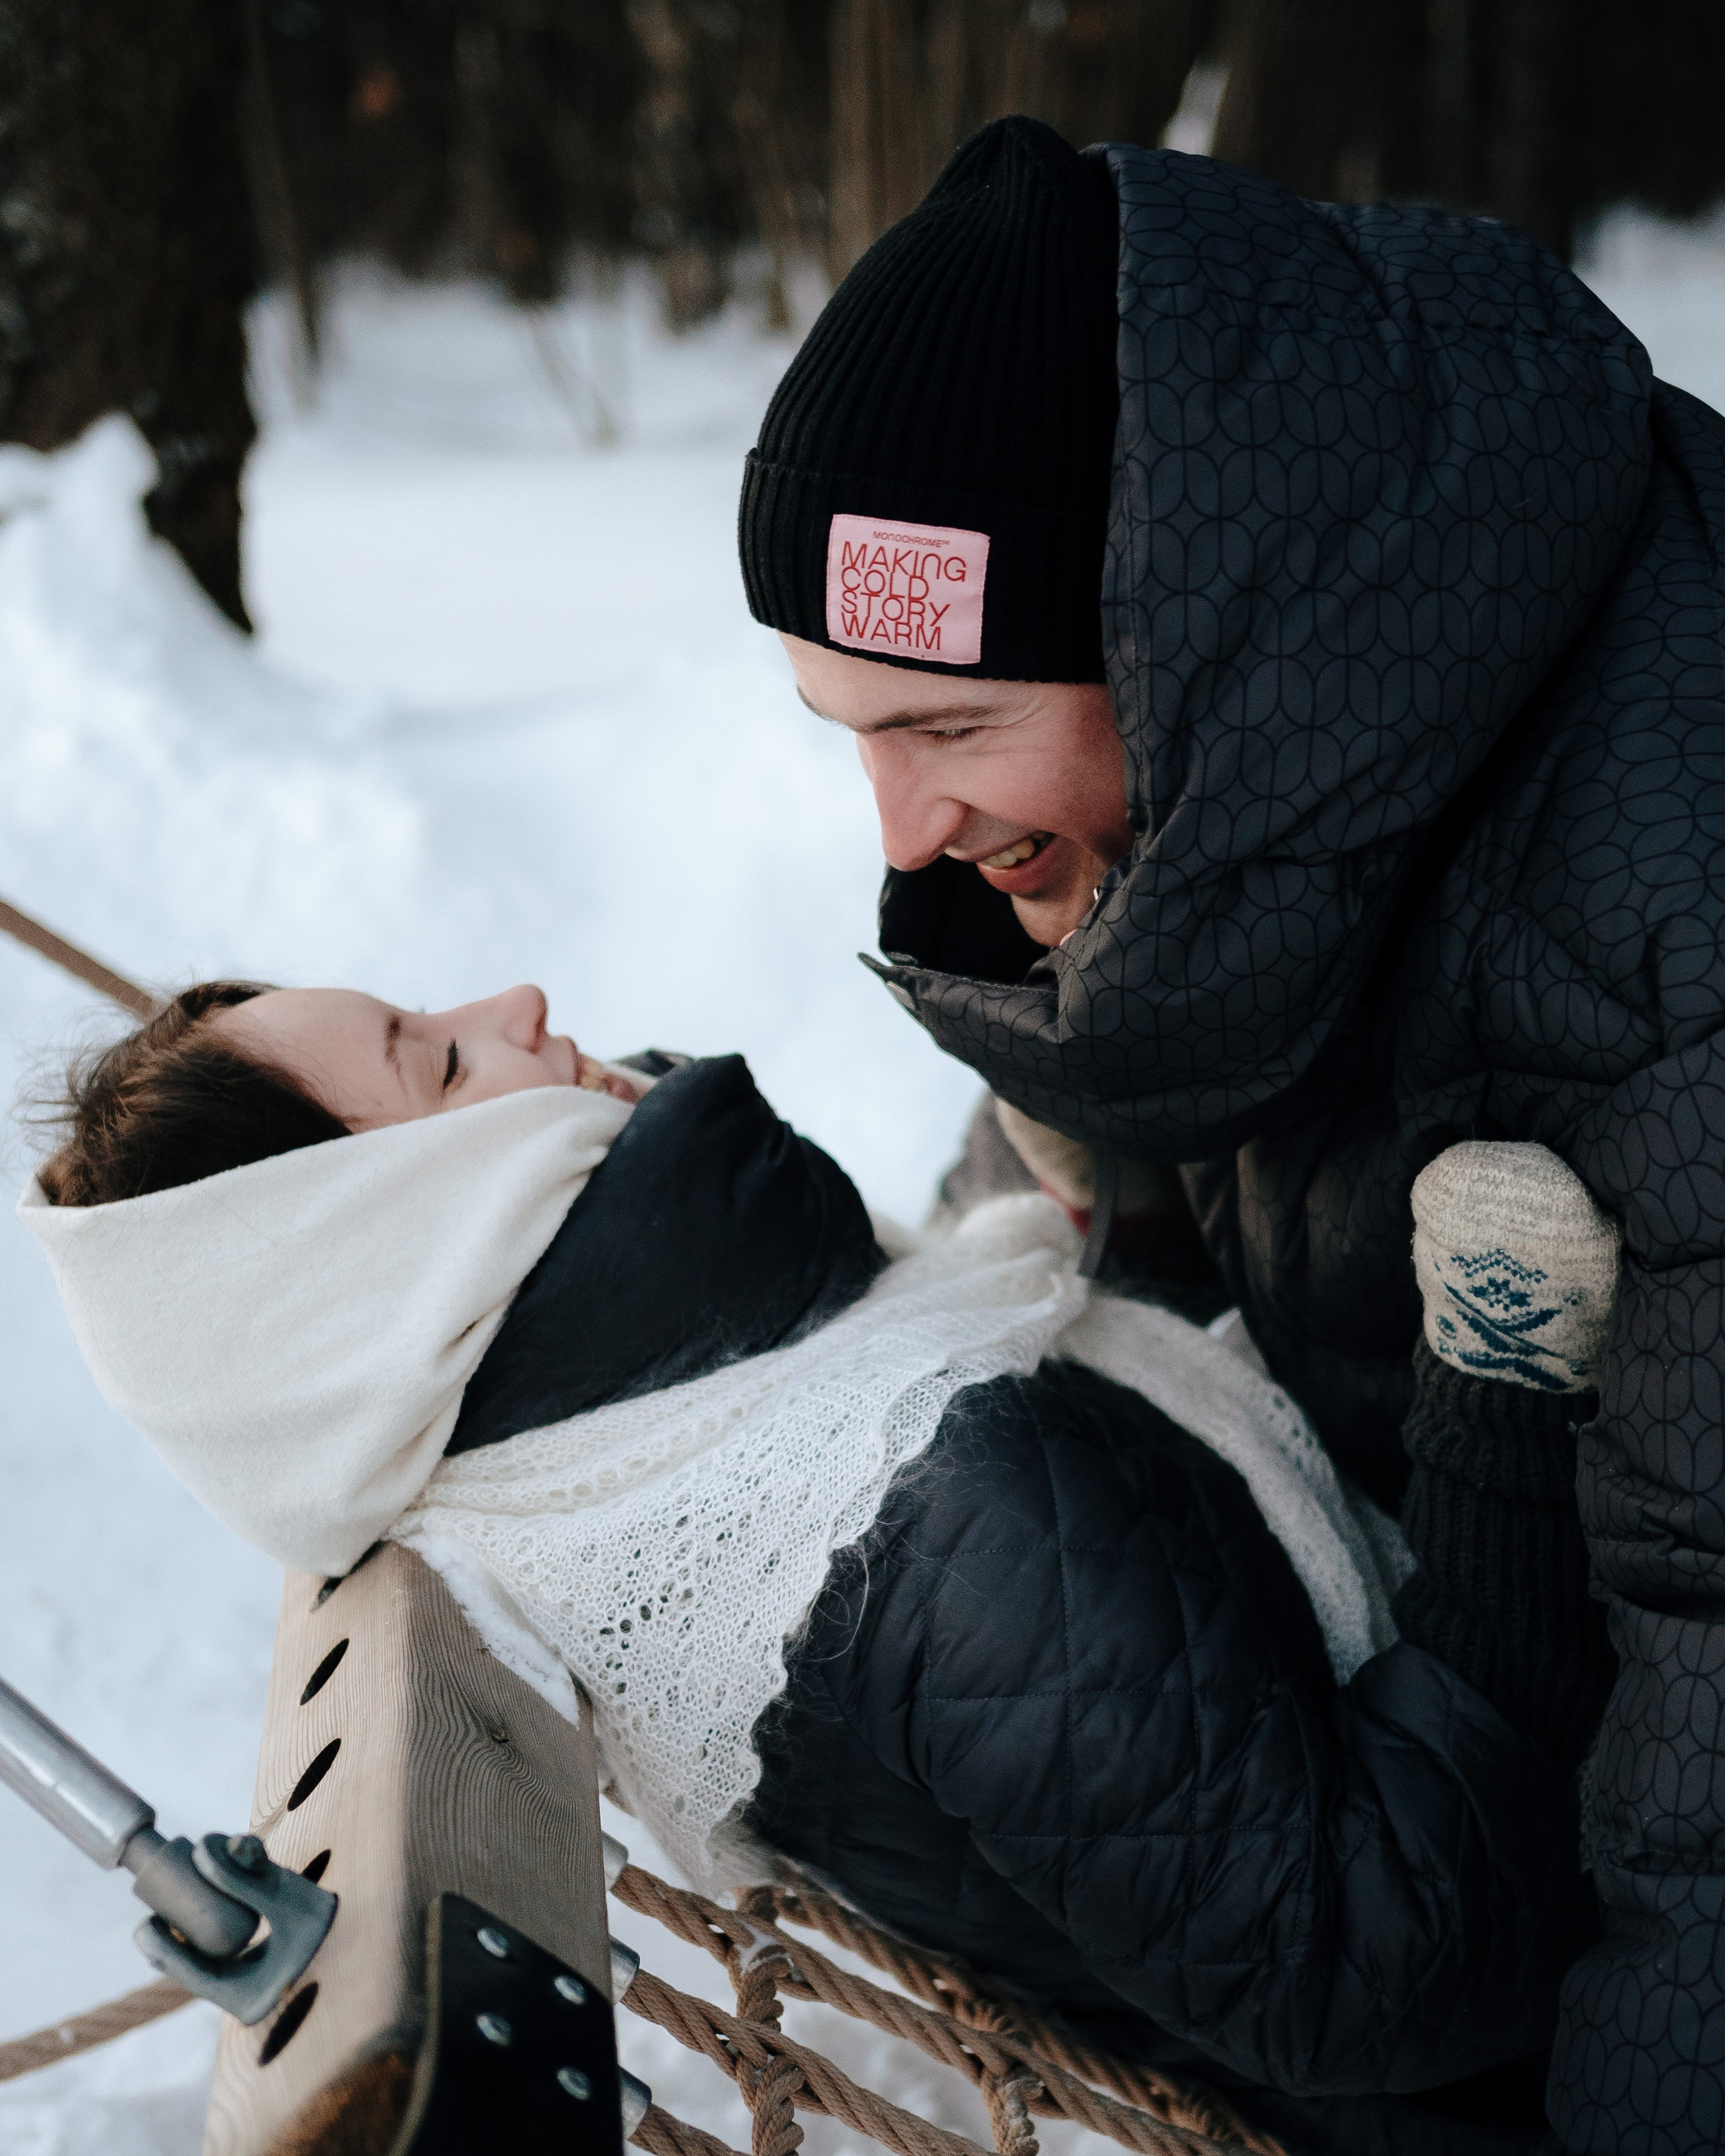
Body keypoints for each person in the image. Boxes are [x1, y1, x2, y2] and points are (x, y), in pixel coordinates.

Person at [737, 115, 1725, 2152]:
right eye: (853, 735)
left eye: (947, 725)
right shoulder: (1271, 766)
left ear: (1195, 645)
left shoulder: (1668, 944)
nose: (904, 835)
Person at [25, 978, 1611, 2153]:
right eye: (436, 1058)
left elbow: (1142, 1568)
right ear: (409, 1241)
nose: (510, 999)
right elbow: (1378, 1958)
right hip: (1555, 2003)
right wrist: (1497, 1404)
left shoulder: (669, 1410)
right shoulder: (892, 1521)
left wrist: (1071, 1207)